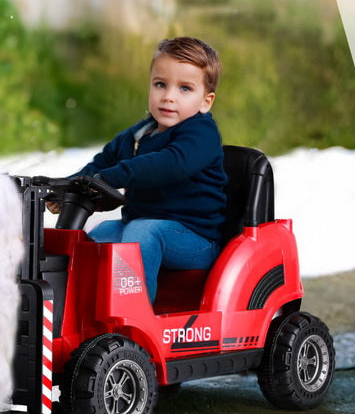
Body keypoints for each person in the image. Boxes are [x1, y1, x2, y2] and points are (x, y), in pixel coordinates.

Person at [51, 36, 227, 303]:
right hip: (140, 225)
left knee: (141, 234)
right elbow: (101, 163)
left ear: (206, 101)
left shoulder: (201, 134)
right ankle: (81, 311)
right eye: (160, 84)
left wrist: (108, 178)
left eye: (184, 89)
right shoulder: (139, 134)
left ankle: (134, 318)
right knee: (96, 238)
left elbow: (168, 164)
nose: (168, 96)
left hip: (196, 239)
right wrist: (66, 187)